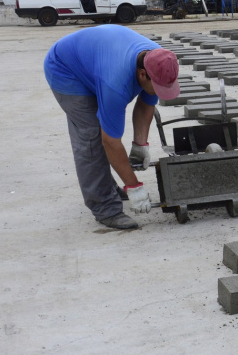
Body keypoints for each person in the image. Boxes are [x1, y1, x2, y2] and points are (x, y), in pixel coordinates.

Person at [44, 25, 180, 229]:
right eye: (159, 87)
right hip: (66, 69)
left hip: (97, 60)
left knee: (103, 132)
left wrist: (140, 145)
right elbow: (110, 141)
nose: (161, 91)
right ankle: (105, 207)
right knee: (91, 138)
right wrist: (134, 187)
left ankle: (108, 187)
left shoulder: (158, 62)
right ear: (142, 75)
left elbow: (145, 105)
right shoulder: (115, 84)